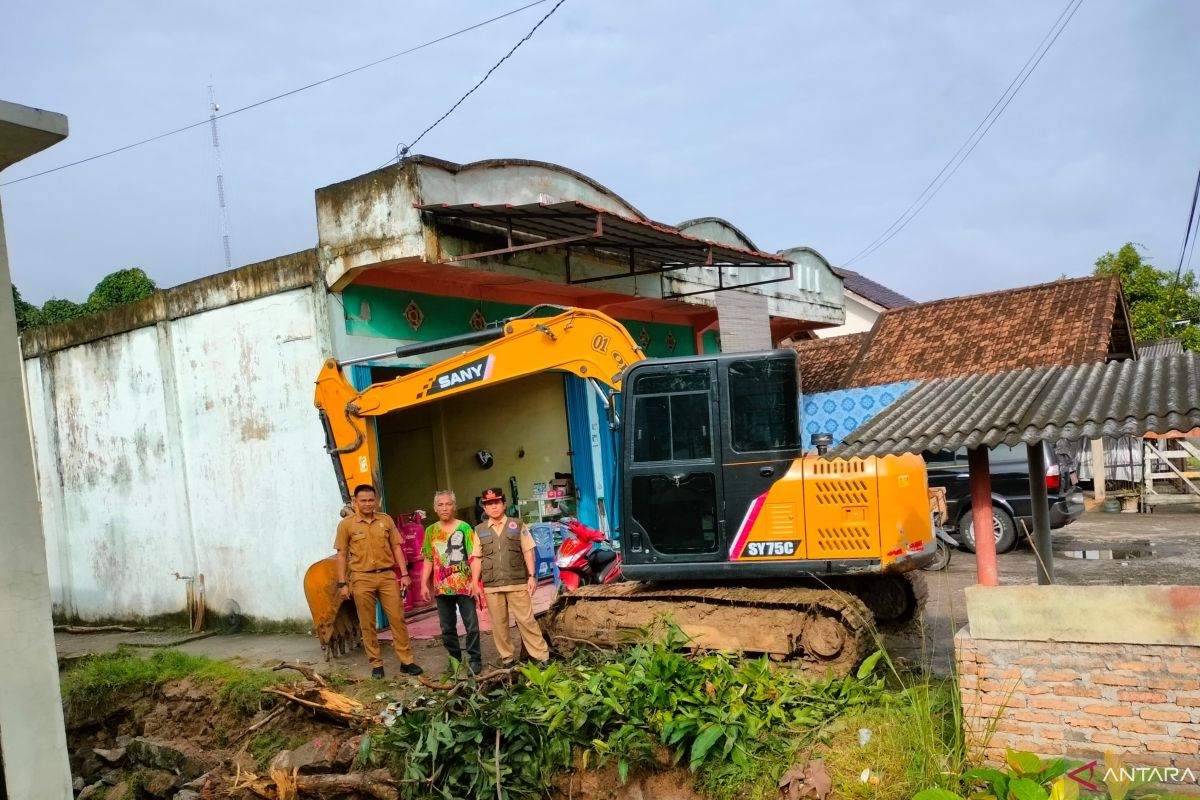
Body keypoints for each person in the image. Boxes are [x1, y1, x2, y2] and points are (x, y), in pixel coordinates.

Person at [334, 484, 423, 679]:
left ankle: (406, 661)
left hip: (387, 576)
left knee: (397, 619)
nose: (367, 504)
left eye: (370, 500)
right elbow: (341, 554)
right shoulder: (346, 525)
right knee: (367, 623)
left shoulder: (386, 520)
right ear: (355, 502)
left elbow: (397, 547)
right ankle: (376, 664)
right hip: (361, 577)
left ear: (376, 501)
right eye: (363, 500)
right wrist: (342, 583)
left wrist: (404, 574)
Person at [475, 487, 550, 667]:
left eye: (496, 502)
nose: (493, 507)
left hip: (517, 582)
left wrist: (532, 576)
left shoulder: (517, 525)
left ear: (504, 504)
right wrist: (474, 582)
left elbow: (528, 551)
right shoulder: (479, 530)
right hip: (492, 585)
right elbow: (477, 558)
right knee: (499, 625)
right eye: (489, 504)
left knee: (526, 620)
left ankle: (542, 657)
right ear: (484, 508)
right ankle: (507, 659)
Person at [420, 489, 483, 675]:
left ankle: (475, 659)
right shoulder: (431, 531)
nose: (444, 508)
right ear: (435, 508)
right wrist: (424, 583)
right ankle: (454, 659)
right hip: (442, 588)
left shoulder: (465, 528)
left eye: (448, 504)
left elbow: (474, 557)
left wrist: (475, 582)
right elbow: (428, 558)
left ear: (454, 506)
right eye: (440, 505)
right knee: (447, 628)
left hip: (465, 586)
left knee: (472, 625)